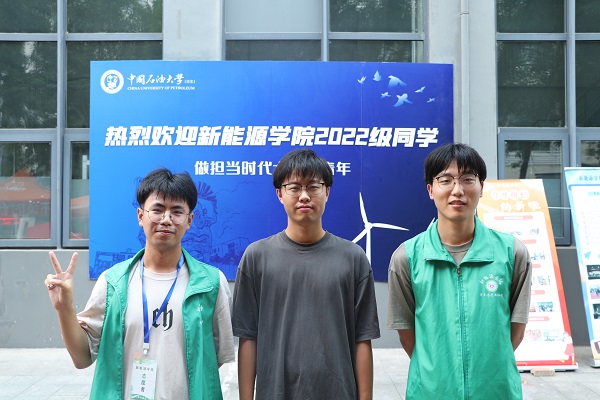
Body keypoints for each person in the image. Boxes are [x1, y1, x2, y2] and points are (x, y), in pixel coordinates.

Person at [45, 168, 235, 400]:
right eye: (157, 210)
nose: (166, 219)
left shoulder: (211, 284)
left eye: (177, 212)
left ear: (189, 220)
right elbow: (82, 358)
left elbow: (213, 359)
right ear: (140, 216)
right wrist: (64, 308)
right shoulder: (113, 282)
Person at [232, 149, 380, 400]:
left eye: (313, 186)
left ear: (327, 192)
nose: (304, 196)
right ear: (279, 194)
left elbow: (362, 339)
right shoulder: (256, 257)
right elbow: (248, 338)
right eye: (294, 188)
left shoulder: (353, 258)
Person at [387, 143, 532, 399]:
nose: (457, 190)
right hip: (430, 392)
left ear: (482, 187)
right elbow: (408, 335)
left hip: (496, 392)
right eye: (446, 180)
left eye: (467, 179)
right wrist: (439, 373)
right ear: (430, 190)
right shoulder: (407, 257)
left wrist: (485, 371)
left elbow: (515, 332)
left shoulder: (512, 253)